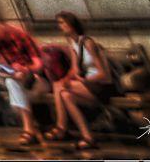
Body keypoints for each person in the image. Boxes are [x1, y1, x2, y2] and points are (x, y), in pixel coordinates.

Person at [0, 12, 50, 143]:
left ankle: (29, 129)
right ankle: (30, 129)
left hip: (31, 76)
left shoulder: (18, 35)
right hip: (14, 74)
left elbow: (38, 65)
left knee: (12, 82)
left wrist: (25, 69)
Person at [47, 11, 115, 149]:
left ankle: (61, 127)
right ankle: (87, 137)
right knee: (65, 95)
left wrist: (84, 80)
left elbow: (103, 74)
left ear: (71, 24)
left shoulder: (88, 43)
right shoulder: (73, 43)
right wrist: (68, 78)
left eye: (62, 23)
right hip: (86, 86)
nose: (60, 26)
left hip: (100, 86)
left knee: (60, 87)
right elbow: (74, 69)